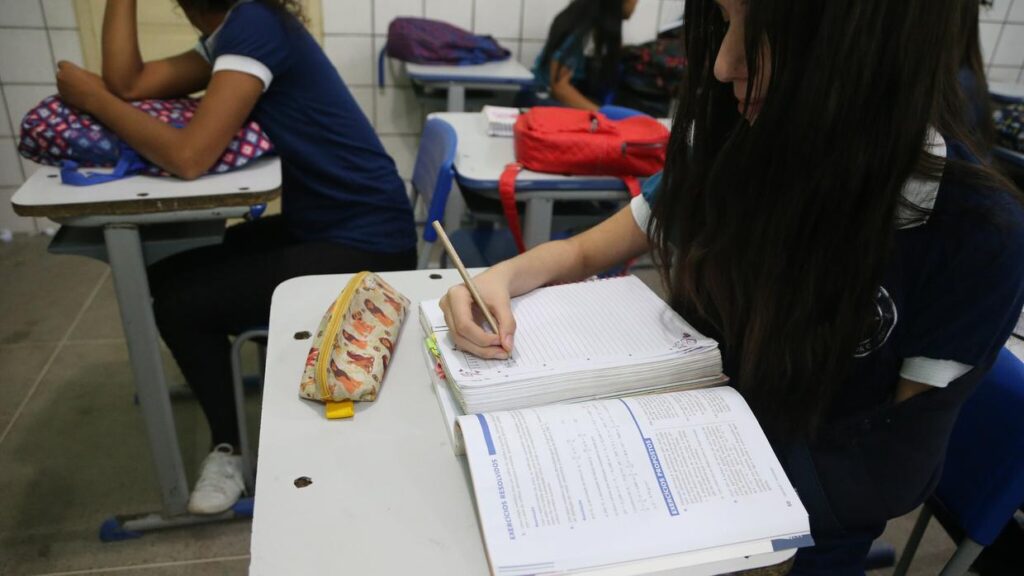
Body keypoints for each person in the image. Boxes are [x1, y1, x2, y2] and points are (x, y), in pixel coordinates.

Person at [440, 0, 1024, 573]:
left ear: (869, 35)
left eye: (761, 27)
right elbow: (583, 251)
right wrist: (500, 278)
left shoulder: (973, 232)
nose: (723, 64)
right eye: (723, 21)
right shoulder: (741, 139)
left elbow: (891, 469)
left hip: (796, 530)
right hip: (682, 465)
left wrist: (692, 490)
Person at [54, 0, 417, 515]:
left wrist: (94, 99)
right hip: (327, 224)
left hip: (368, 245)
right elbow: (130, 83)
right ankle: (241, 397)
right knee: (170, 270)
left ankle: (232, 451)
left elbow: (189, 157)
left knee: (180, 305)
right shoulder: (236, 31)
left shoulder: (253, 24)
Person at [523, 0, 639, 110]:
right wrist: (604, 115)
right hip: (542, 101)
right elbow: (559, 88)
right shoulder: (581, 29)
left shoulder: (599, 25)